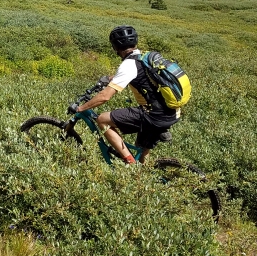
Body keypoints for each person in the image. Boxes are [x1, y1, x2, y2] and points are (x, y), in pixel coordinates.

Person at [74, 25, 179, 164]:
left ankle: (130, 163)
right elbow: (138, 74)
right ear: (135, 42)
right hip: (172, 112)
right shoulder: (144, 56)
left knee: (102, 120)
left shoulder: (128, 64)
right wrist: (110, 79)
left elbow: (105, 96)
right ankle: (142, 175)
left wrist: (80, 108)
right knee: (141, 151)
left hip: (153, 115)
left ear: (115, 47)